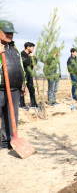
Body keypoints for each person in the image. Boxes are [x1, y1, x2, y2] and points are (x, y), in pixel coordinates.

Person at [0, 20, 26, 149]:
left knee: (11, 116)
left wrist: (23, 84)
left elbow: (20, 67)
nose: (10, 35)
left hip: (14, 89)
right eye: (6, 33)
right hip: (0, 89)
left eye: (11, 33)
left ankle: (8, 141)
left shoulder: (14, 48)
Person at [19, 42, 38, 109]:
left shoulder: (30, 54)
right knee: (22, 89)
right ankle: (22, 104)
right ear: (28, 47)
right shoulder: (22, 54)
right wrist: (29, 57)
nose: (33, 49)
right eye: (32, 47)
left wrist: (34, 57)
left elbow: (35, 62)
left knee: (32, 89)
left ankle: (33, 103)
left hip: (30, 74)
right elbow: (25, 63)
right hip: (24, 74)